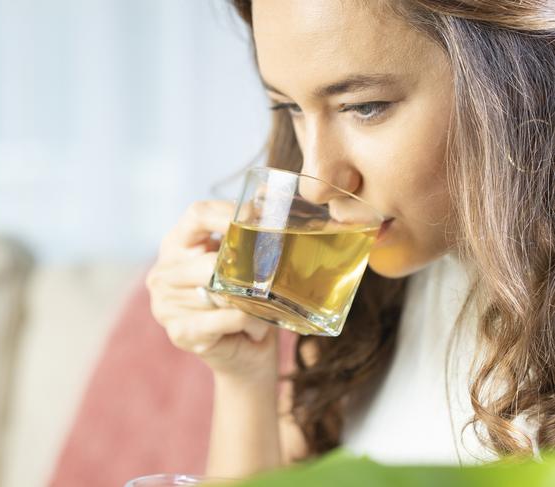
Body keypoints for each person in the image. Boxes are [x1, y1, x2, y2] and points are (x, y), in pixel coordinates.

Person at [145, 0, 555, 478]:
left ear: (515, 84)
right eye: (290, 106)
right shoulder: (359, 301)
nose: (314, 181)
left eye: (364, 107)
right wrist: (242, 373)